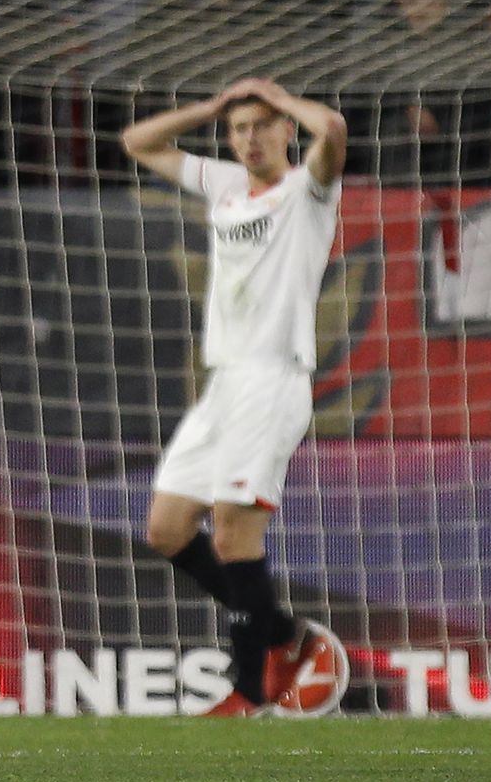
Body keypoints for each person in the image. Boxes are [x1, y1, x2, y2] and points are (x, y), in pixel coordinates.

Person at [120, 77, 348, 717]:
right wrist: (211, 107)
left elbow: (332, 131)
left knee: (232, 535)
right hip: (224, 383)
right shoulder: (223, 184)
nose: (250, 138)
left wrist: (271, 92)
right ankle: (283, 636)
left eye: (262, 125)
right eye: (239, 128)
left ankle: (249, 691)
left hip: (275, 378)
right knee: (166, 529)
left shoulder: (308, 191)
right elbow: (138, 142)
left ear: (286, 133)